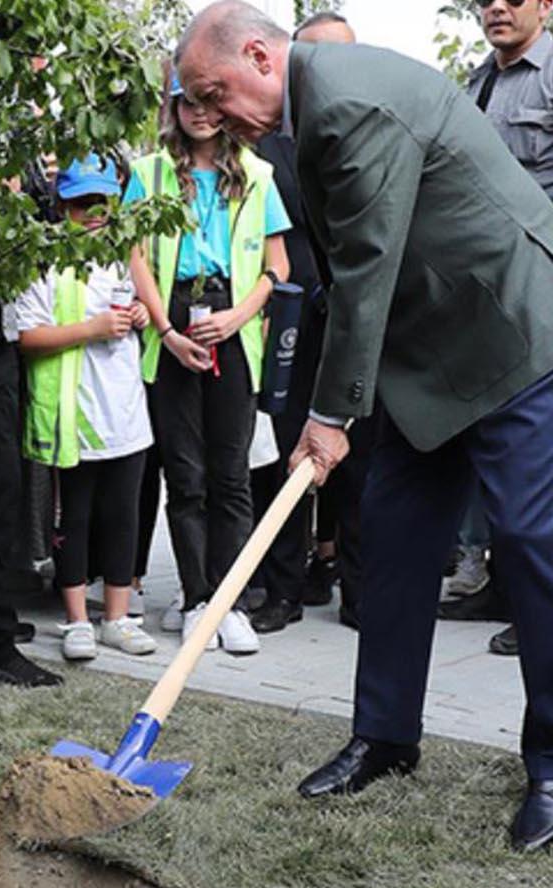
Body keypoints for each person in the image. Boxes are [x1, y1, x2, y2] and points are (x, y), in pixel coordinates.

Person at [177, 0, 553, 851]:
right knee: (391, 543)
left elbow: (369, 265)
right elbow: (352, 279)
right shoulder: (302, 118)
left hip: (510, 335)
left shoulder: (347, 103)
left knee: (532, 545)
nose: (211, 117)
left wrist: (329, 416)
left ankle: (551, 766)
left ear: (258, 58)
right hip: (424, 358)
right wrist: (335, 406)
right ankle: (384, 736)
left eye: (214, 93)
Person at [123, 68, 291, 655]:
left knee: (232, 477)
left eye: (208, 101)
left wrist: (240, 316)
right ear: (172, 107)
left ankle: (230, 602)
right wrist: (166, 330)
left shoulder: (258, 173)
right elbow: (137, 258)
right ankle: (197, 599)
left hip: (232, 324)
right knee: (185, 476)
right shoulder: (148, 173)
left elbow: (279, 268)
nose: (197, 112)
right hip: (174, 322)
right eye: (185, 101)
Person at [15, 156, 158, 662]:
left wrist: (140, 312)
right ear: (61, 206)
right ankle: (77, 619)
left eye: (102, 202)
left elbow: (143, 303)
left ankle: (116, 616)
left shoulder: (125, 254)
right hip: (72, 416)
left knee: (124, 515)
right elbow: (28, 337)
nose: (94, 213)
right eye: (81, 203)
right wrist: (92, 330)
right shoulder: (44, 262)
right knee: (72, 517)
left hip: (125, 412)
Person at [245, 12, 359, 634]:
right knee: (288, 449)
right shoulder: (264, 142)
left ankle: (356, 587)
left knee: (358, 458)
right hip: (289, 319)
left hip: (356, 323)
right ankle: (283, 587)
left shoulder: (367, 131)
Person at [457, 0, 553, 657]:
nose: (496, 7)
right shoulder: (476, 84)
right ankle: (499, 588)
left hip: (542, 288)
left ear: (545, 6)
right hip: (485, 299)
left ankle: (539, 611)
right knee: (495, 458)